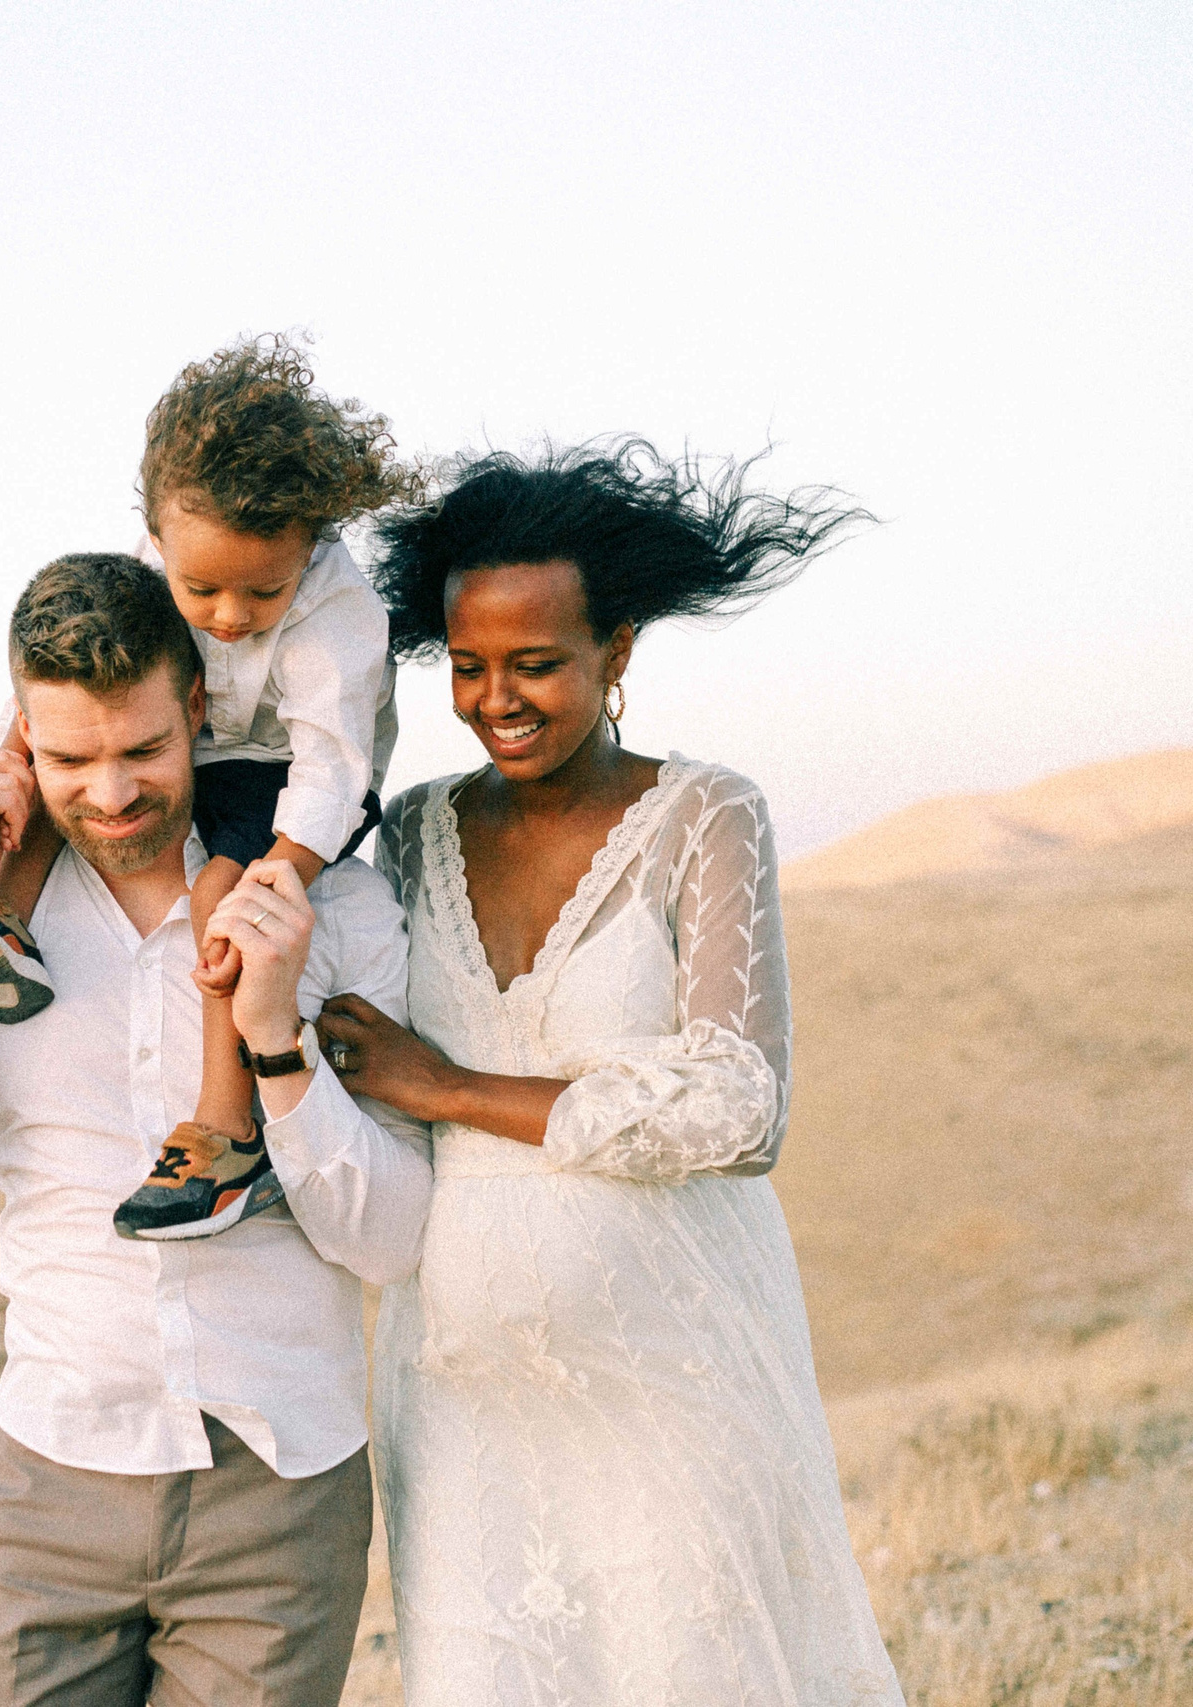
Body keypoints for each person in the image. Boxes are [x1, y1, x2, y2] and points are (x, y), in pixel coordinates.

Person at [314, 442, 906, 1704]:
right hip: (463, 1394)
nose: (496, 698)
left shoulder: (705, 815)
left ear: (616, 652)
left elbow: (739, 1108)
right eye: (468, 668)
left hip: (674, 1376)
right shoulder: (413, 828)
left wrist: (449, 1089)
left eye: (537, 664)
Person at [0, 551, 433, 1705]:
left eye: (141, 751)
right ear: (18, 745)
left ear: (196, 707)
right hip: (46, 1488)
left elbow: (392, 1243)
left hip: (279, 1501)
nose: (109, 794)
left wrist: (277, 1042)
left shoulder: (333, 906)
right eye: (68, 759)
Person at [0, 335, 415, 1240]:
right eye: (200, 587)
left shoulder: (340, 610)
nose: (227, 615)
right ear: (156, 537)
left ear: (312, 544)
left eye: (262, 592)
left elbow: (333, 765)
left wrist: (283, 872)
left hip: (289, 777)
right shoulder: (149, 569)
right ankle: (5, 925)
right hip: (192, 743)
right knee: (80, 778)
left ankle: (225, 1126)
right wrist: (19, 763)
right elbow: (56, 702)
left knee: (221, 895)